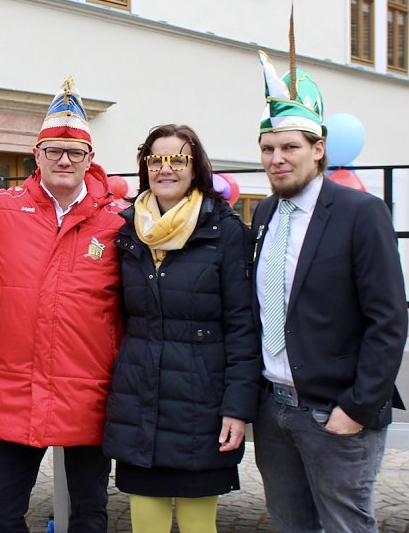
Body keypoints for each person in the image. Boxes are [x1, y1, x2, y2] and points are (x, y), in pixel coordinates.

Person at [251, 46, 408, 532]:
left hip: (335, 414)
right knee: (289, 523)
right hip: (274, 410)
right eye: (268, 148)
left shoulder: (361, 212)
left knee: (345, 525)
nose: (277, 159)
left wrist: (357, 406)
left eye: (290, 147)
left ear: (318, 149)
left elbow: (389, 320)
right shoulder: (263, 215)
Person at [0, 77, 123, 533]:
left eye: (74, 152)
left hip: (89, 390)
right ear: (35, 156)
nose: (64, 159)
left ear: (90, 160)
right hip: (14, 390)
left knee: (90, 514)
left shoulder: (118, 223)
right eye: (53, 150)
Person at [102, 124, 261, 533]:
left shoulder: (225, 232)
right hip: (140, 400)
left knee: (196, 524)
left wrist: (237, 408)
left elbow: (244, 327)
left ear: (196, 167)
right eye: (156, 159)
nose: (165, 169)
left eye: (178, 159)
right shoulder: (127, 231)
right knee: (146, 521)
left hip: (201, 404)